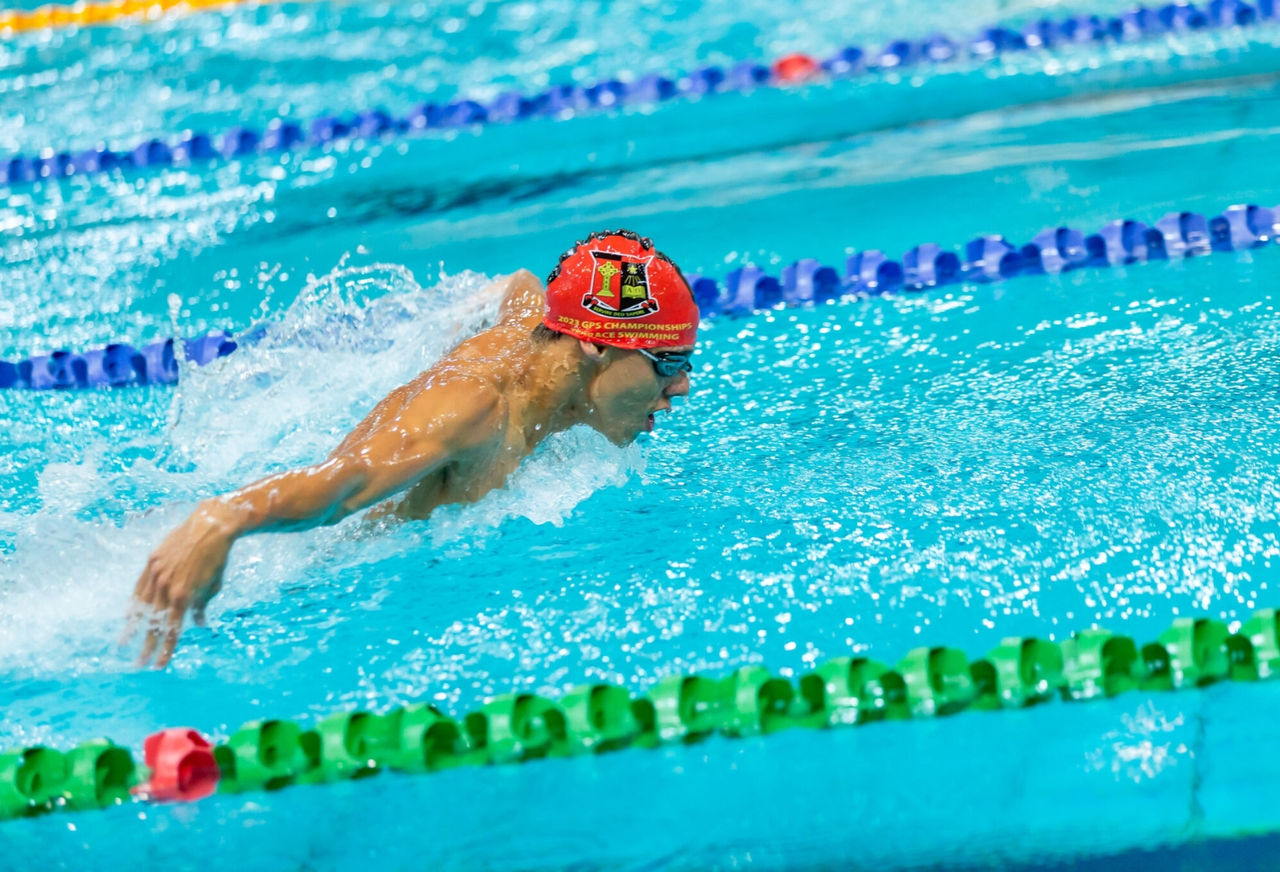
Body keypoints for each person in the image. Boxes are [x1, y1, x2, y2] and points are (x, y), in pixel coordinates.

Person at [125, 229, 699, 668]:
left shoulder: (542, 336)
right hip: (280, 590)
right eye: (668, 363)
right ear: (595, 346)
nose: (682, 387)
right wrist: (219, 520)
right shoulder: (475, 408)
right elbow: (343, 484)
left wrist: (473, 302)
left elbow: (523, 287)